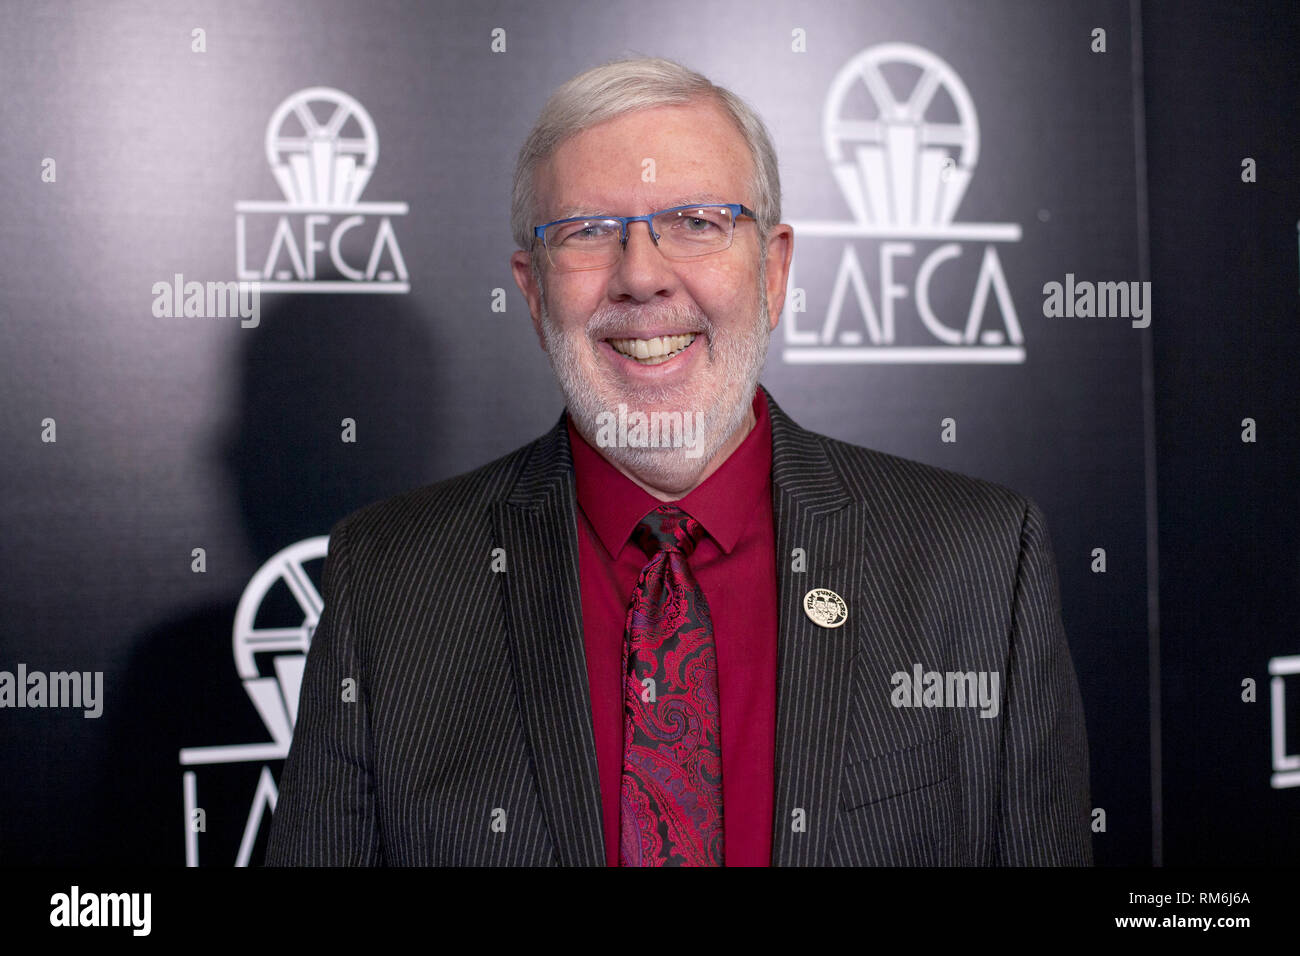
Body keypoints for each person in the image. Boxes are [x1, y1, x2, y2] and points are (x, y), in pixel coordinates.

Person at [265, 55, 1091, 867]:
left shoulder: (978, 559)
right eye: (588, 231)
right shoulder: (389, 580)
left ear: (772, 271)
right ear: (531, 291)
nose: (641, 276)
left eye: (696, 222)